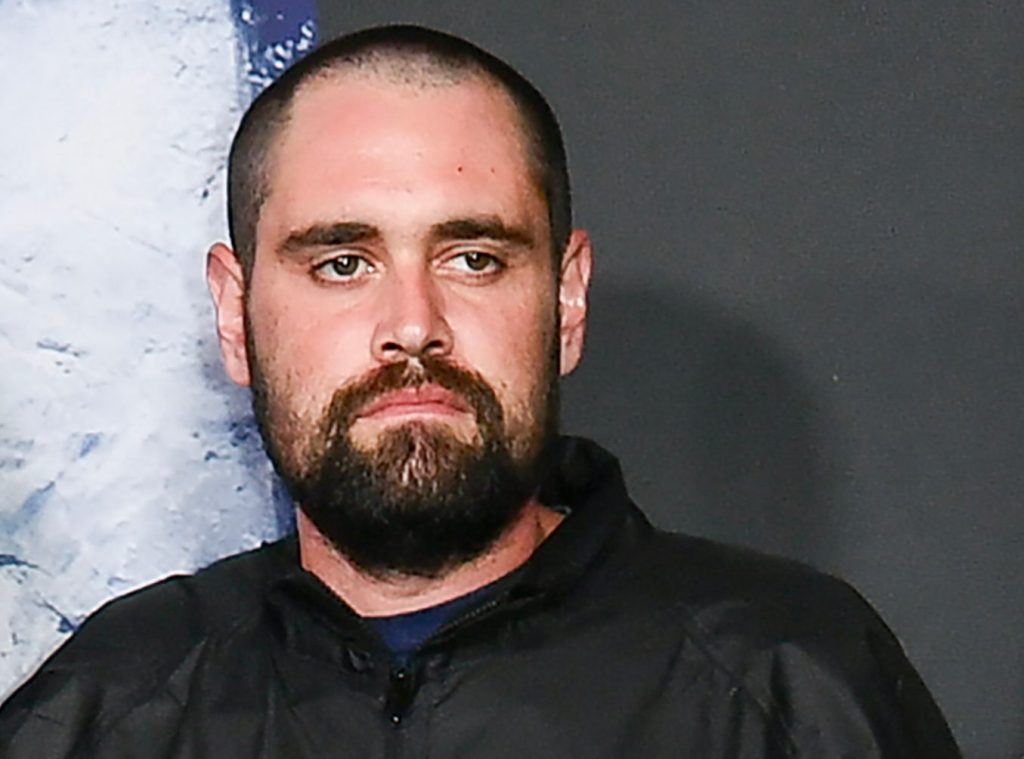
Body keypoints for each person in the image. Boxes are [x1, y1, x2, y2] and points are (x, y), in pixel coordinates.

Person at [0, 24, 960, 757]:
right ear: (234, 313)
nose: (413, 324)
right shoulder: (101, 711)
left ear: (566, 300)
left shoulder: (794, 690)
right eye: (341, 263)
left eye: (473, 257)